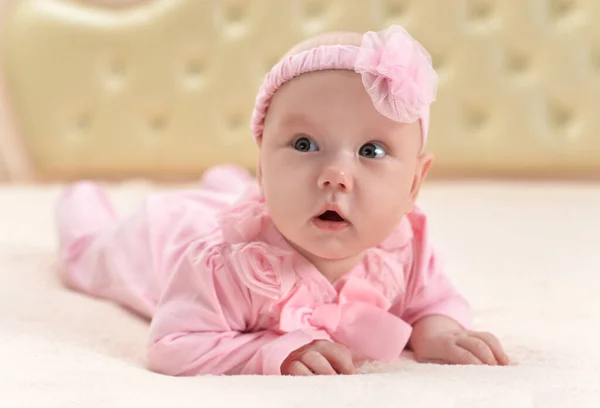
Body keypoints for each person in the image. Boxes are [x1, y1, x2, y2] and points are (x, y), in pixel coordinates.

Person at [55, 24, 510, 376]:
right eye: (304, 144)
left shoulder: (403, 246)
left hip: (255, 202)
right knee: (89, 256)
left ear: (415, 181)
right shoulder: (225, 265)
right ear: (262, 165)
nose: (336, 175)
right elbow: (174, 344)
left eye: (371, 151)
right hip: (162, 237)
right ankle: (80, 200)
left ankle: (223, 184)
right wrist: (269, 352)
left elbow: (434, 298)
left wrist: (438, 327)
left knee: (233, 199)